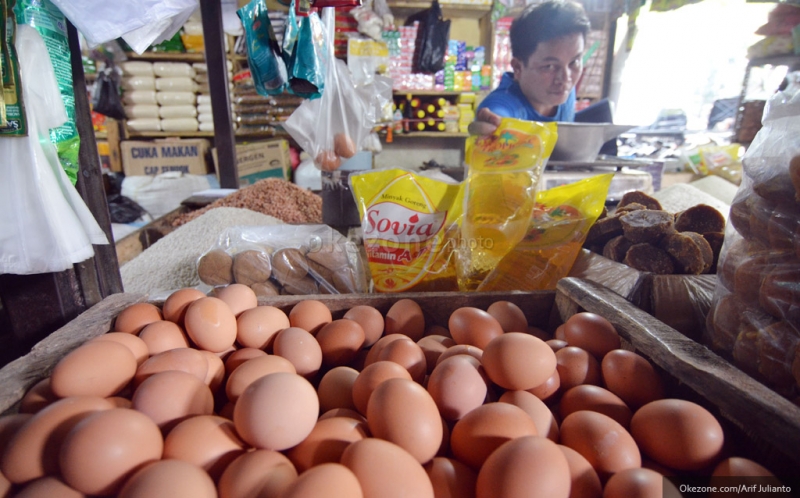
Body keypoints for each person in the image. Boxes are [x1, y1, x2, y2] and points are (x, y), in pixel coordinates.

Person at [468, 0, 591, 136]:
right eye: (549, 67)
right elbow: (496, 115)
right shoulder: (504, 104)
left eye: (574, 62)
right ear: (518, 68)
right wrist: (491, 127)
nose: (565, 78)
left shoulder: (564, 91)